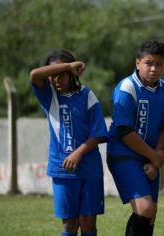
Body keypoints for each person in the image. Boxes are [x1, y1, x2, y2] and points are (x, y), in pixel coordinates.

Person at [29, 49, 108, 236]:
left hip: (89, 169)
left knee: (88, 224)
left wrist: (79, 152)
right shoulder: (48, 96)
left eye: (60, 75)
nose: (55, 80)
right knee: (70, 224)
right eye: (51, 75)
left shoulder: (87, 95)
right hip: (62, 170)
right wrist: (68, 66)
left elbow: (99, 133)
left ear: (71, 74)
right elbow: (34, 75)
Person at [106, 40, 164, 236]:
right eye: (148, 63)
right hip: (123, 154)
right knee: (145, 209)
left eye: (158, 64)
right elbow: (125, 132)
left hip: (150, 157)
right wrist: (154, 157)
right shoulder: (127, 88)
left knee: (150, 215)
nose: (153, 68)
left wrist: (156, 161)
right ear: (137, 63)